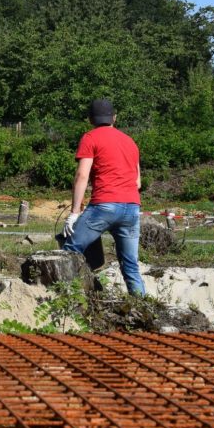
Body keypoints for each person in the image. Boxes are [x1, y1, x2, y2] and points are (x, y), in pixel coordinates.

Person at [60, 99, 145, 296]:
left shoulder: (90, 138)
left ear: (90, 119)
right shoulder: (130, 142)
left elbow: (82, 176)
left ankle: (65, 299)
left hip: (104, 205)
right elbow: (138, 182)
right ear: (114, 118)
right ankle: (141, 305)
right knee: (130, 265)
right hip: (132, 207)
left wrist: (74, 212)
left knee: (70, 250)